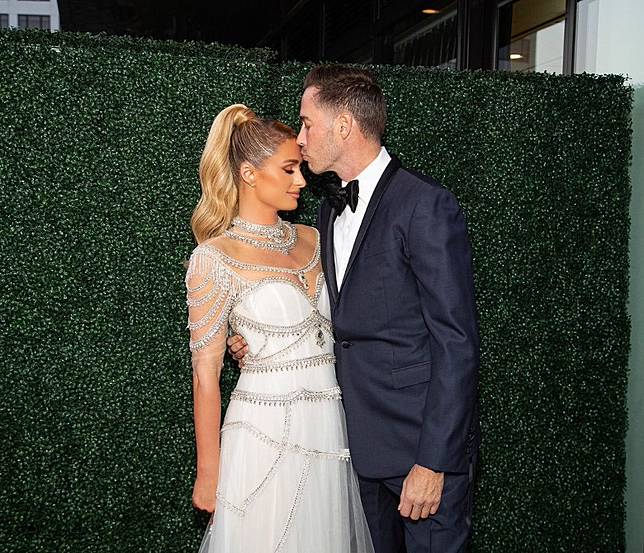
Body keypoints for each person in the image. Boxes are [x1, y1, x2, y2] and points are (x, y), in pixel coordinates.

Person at [228, 66, 480, 553]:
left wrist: (434, 462)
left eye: (307, 123)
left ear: (343, 125)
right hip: (350, 452)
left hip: (418, 453)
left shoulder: (425, 204)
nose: (301, 139)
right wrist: (258, 339)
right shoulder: (328, 211)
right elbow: (330, 318)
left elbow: (456, 343)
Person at [184, 103, 374, 553]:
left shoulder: (315, 237)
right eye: (289, 169)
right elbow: (205, 375)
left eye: (300, 168)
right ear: (249, 174)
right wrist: (208, 472)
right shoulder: (213, 257)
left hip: (328, 431)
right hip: (261, 434)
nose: (302, 180)